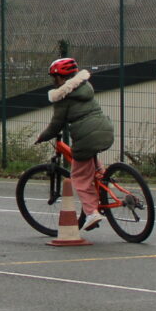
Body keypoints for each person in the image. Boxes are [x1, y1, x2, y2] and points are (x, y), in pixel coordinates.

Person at [35, 57, 114, 232]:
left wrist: (43, 137)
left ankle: (92, 213)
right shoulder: (85, 87)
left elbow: (56, 124)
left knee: (79, 177)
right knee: (90, 163)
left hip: (86, 137)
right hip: (105, 128)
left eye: (53, 77)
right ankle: (102, 177)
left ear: (60, 78)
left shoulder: (63, 96)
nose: (53, 81)